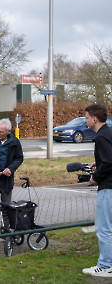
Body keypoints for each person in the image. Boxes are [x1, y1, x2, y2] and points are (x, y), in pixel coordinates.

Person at [82, 104, 112, 277]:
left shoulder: (101, 137)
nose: (85, 120)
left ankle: (105, 266)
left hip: (107, 187)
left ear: (94, 119)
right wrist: (98, 163)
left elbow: (108, 162)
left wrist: (95, 177)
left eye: (86, 117)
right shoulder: (108, 132)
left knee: (103, 228)